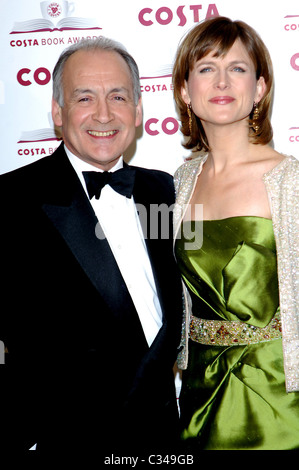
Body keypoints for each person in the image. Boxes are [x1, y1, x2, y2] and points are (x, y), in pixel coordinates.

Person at [0, 37, 183, 455]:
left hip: (165, 436)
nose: (104, 113)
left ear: (138, 111)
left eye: (118, 96)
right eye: (85, 97)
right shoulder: (11, 201)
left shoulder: (166, 191)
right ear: (58, 113)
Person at [172, 16, 299, 450]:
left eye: (238, 68)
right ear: (185, 91)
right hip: (200, 390)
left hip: (280, 395)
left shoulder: (291, 181)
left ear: (260, 87)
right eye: (206, 68)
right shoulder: (177, 184)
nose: (222, 80)